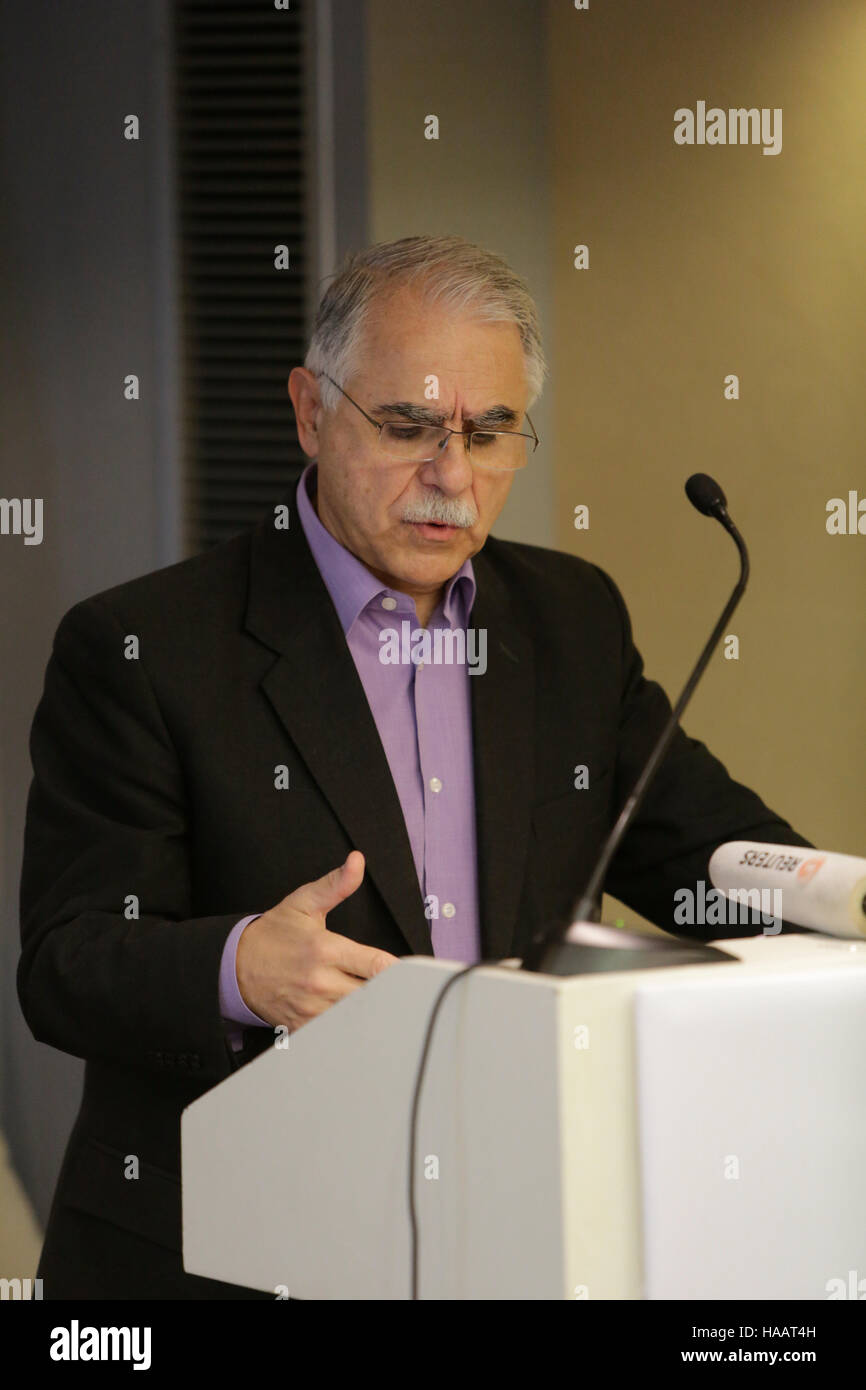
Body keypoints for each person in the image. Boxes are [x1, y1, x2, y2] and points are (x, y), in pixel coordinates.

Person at [18, 234, 811, 1299]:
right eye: (407, 428)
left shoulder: (569, 618)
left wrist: (831, 898)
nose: (451, 478)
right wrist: (239, 966)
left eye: (489, 433)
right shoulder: (143, 647)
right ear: (310, 410)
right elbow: (66, 963)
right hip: (230, 1255)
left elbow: (696, 849)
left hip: (503, 1226)